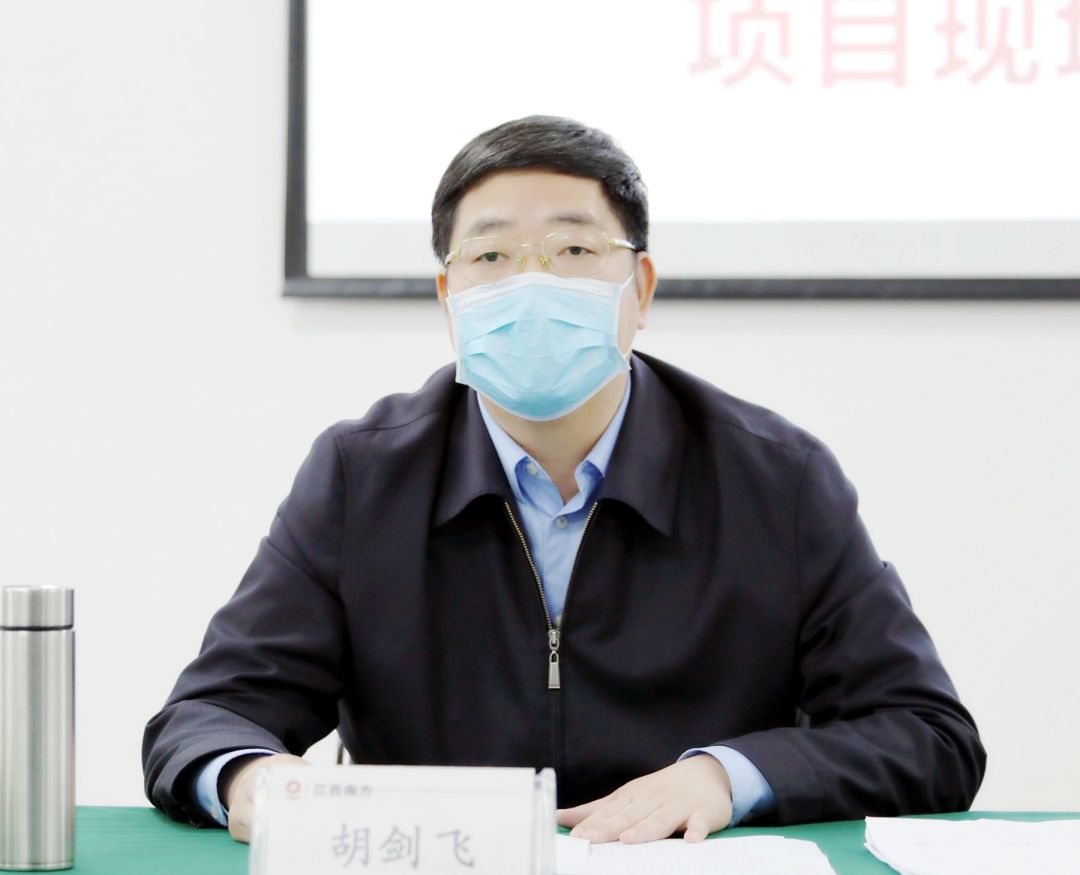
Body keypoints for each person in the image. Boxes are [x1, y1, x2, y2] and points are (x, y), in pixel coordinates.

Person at [143, 116, 986, 845]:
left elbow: (928, 735)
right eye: (491, 254)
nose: (532, 282)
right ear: (448, 296)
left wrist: (727, 777)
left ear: (639, 288)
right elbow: (207, 717)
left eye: (575, 249)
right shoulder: (362, 476)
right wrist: (252, 777)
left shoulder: (775, 478)